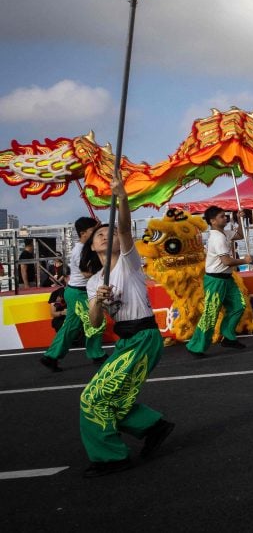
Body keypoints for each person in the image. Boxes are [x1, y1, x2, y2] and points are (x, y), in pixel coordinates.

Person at [79, 171, 174, 477]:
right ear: (92, 247)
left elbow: (124, 227)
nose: (106, 235)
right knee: (109, 397)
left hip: (144, 337)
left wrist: (121, 197)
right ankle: (153, 425)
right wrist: (98, 301)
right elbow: (94, 323)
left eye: (109, 233)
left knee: (93, 396)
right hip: (125, 342)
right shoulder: (94, 282)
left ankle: (113, 457)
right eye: (99, 235)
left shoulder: (128, 261)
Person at [40, 217, 107, 371]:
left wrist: (97, 226)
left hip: (74, 292)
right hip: (79, 293)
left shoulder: (84, 246)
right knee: (96, 323)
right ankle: (97, 354)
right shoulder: (79, 251)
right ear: (83, 233)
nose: (97, 233)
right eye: (93, 231)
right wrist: (105, 271)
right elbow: (85, 273)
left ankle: (51, 356)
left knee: (70, 327)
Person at [186, 207, 252, 357]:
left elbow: (240, 235)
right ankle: (195, 346)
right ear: (213, 221)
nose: (225, 218)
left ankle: (228, 337)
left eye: (225, 216)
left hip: (227, 279)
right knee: (211, 314)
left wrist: (239, 219)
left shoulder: (224, 233)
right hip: (215, 280)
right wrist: (244, 260)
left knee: (239, 306)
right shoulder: (217, 238)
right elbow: (227, 261)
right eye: (222, 217)